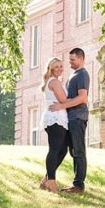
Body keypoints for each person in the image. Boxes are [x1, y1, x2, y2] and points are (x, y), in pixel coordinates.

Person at [49, 47, 90, 194]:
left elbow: (82, 98)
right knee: (68, 150)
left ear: (80, 58)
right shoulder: (73, 75)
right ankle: (48, 179)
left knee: (78, 151)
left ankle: (78, 186)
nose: (70, 62)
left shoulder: (82, 75)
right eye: (69, 59)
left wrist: (62, 105)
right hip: (69, 118)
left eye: (73, 59)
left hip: (78, 117)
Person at [39, 57, 68, 193]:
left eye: (61, 66)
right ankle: (51, 181)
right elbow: (63, 99)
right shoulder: (54, 82)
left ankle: (46, 179)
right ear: (51, 69)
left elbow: (62, 101)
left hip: (59, 118)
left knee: (62, 150)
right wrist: (79, 100)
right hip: (55, 118)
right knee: (55, 149)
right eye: (57, 67)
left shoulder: (54, 82)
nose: (60, 69)